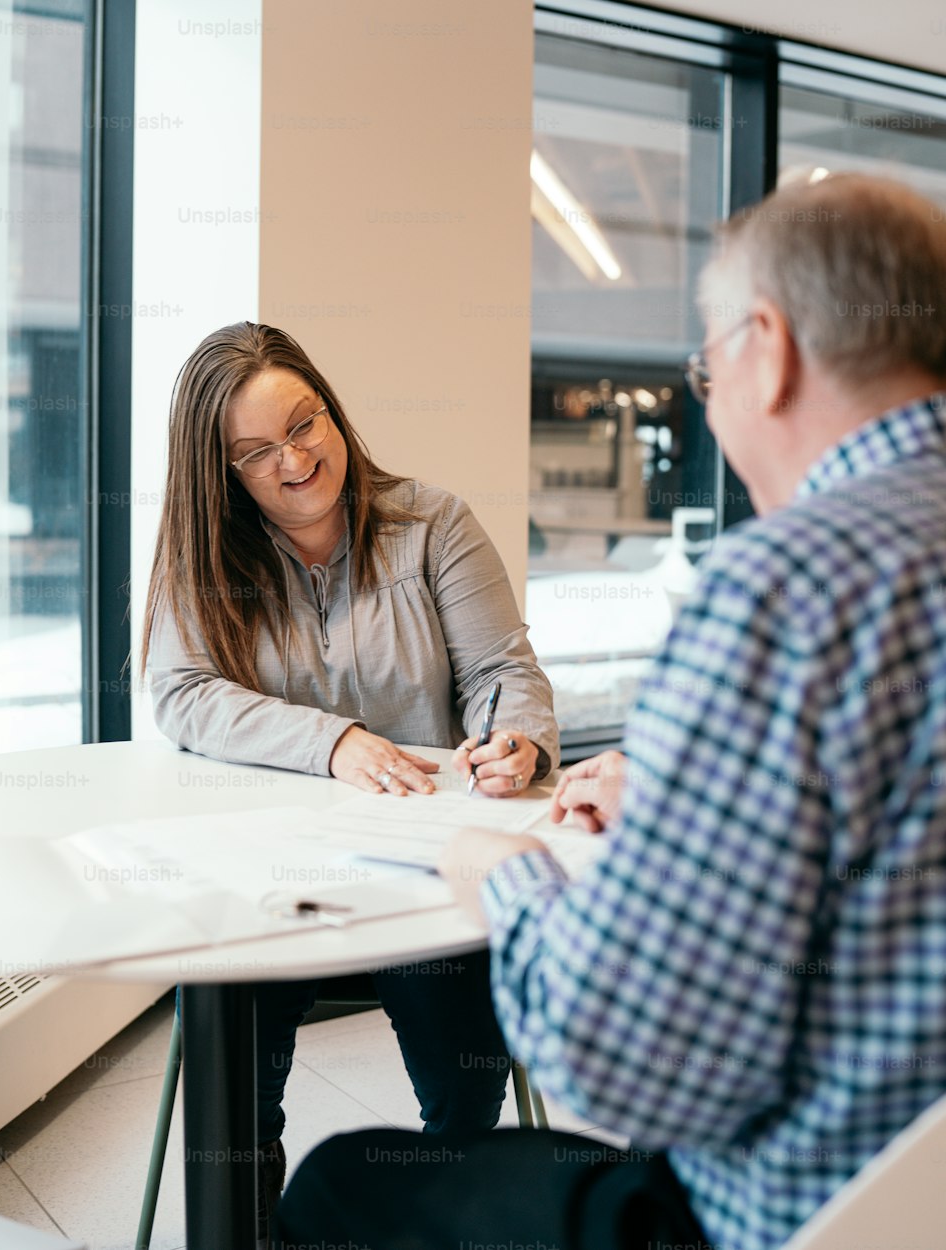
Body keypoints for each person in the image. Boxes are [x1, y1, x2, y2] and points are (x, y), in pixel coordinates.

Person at [274, 173, 946, 1250]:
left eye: (705, 366)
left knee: (342, 1185)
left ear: (764, 349)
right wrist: (688, 796)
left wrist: (508, 877)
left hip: (795, 1210)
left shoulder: (778, 590)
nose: (712, 404)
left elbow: (633, 1059)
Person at [139, 321, 559, 1232]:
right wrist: (334, 743)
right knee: (236, 1091)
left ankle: (443, 1221)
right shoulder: (204, 553)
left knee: (465, 1087)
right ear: (224, 473)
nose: (295, 460)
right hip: (273, 873)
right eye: (257, 451)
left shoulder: (432, 522)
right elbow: (179, 693)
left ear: (331, 408)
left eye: (304, 423)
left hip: (421, 865)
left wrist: (513, 740)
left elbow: (504, 671)